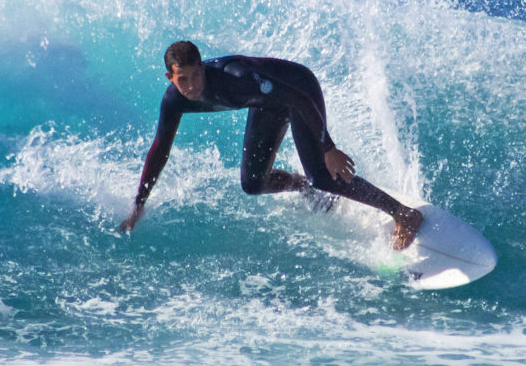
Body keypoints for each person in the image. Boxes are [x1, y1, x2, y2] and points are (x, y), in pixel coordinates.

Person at [119, 41, 423, 250]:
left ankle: (403, 213)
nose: (193, 85)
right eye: (183, 79)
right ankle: (305, 186)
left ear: (203, 67)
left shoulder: (235, 78)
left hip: (299, 92)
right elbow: (160, 150)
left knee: (321, 173)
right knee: (253, 183)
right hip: (266, 104)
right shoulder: (174, 101)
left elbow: (298, 100)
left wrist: (327, 147)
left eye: (197, 74)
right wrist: (139, 204)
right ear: (169, 78)